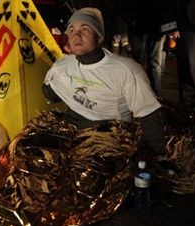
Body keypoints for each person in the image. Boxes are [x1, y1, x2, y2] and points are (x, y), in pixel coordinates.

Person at [42, 7, 166, 158]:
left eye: (85, 29)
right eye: (72, 30)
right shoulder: (63, 66)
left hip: (107, 141)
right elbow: (49, 93)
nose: (76, 35)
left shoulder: (126, 70)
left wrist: (157, 158)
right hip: (71, 133)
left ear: (99, 37)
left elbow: (149, 116)